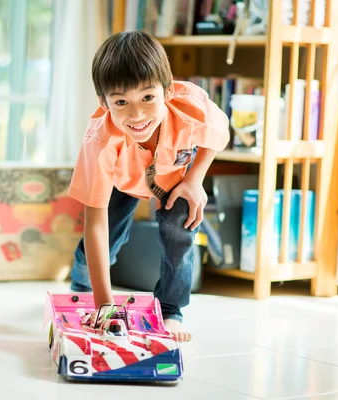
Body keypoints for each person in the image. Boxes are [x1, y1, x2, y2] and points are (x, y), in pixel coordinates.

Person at [68, 31, 229, 342]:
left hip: (174, 180)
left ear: (167, 92)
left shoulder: (191, 108)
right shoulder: (100, 141)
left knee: (179, 229)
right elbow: (96, 225)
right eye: (121, 102)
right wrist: (104, 305)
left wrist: (194, 181)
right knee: (108, 233)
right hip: (120, 179)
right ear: (104, 102)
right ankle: (82, 282)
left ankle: (170, 309)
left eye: (147, 97)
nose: (136, 113)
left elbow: (217, 134)